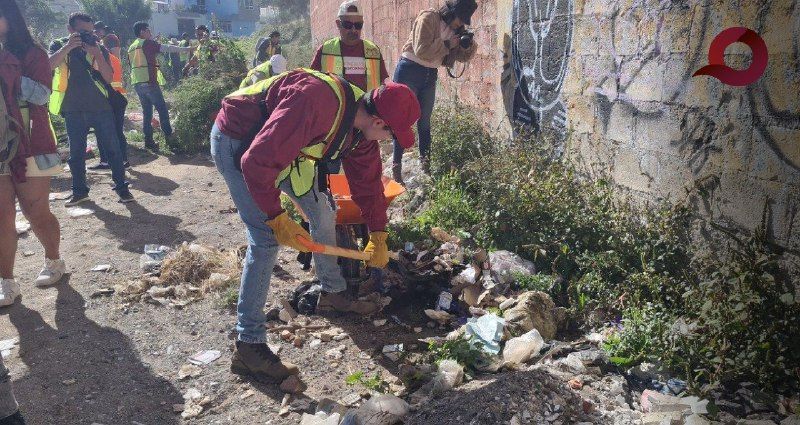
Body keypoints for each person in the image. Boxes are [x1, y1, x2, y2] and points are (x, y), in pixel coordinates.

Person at [211, 69, 419, 382]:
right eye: (391, 135)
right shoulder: (315, 101)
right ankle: (249, 346)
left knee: (323, 212)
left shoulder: (359, 133)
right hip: (239, 141)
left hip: (282, 149)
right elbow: (256, 163)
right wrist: (275, 216)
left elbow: (368, 186)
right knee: (266, 239)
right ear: (378, 122)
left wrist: (378, 233)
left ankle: (333, 292)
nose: (389, 141)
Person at [0, 0, 66, 313]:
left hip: (31, 144)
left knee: (35, 212)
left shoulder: (33, 53)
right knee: (1, 219)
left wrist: (7, 73)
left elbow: (42, 95)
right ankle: (7, 281)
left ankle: (54, 260)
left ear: (9, 19)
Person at [48, 12, 133, 205]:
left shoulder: (98, 47)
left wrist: (96, 54)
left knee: (113, 150)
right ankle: (79, 192)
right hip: (72, 109)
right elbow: (48, 66)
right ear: (70, 30)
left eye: (90, 31)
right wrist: (69, 46)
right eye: (82, 31)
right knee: (76, 154)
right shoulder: (59, 45)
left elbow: (109, 78)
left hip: (101, 108)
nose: (88, 34)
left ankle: (122, 189)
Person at [392, 0, 478, 183]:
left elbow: (461, 58)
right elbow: (421, 49)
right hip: (410, 69)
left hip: (430, 74)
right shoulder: (429, 17)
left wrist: (467, 45)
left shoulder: (456, 31)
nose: (460, 24)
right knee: (402, 119)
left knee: (425, 123)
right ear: (451, 12)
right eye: (459, 19)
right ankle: (396, 165)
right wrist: (447, 44)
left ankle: (426, 166)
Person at [310, 0, 390, 174]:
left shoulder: (373, 51)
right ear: (338, 24)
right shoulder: (325, 50)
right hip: (334, 124)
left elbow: (383, 87)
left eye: (358, 25)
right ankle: (333, 199)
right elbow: (311, 86)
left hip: (365, 126)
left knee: (365, 173)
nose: (354, 30)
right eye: (348, 25)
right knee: (331, 172)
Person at [128, 22, 192, 151]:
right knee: (162, 110)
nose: (150, 33)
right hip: (149, 82)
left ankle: (149, 142)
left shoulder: (132, 46)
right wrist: (187, 49)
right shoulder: (146, 43)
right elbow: (167, 48)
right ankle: (170, 140)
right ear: (142, 32)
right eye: (148, 30)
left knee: (147, 113)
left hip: (137, 83)